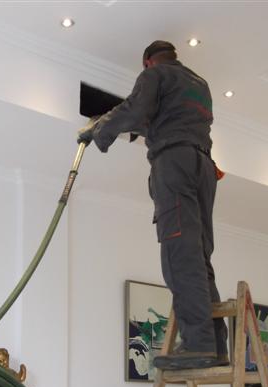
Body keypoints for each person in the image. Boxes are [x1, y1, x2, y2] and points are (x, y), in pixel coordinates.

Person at [78, 40, 227, 370]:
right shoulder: (199, 84)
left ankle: (198, 345)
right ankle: (216, 344)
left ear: (147, 62)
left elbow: (137, 109)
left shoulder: (155, 75)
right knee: (199, 255)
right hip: (204, 167)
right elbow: (153, 118)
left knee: (179, 251)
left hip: (174, 163)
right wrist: (104, 125)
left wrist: (99, 132)